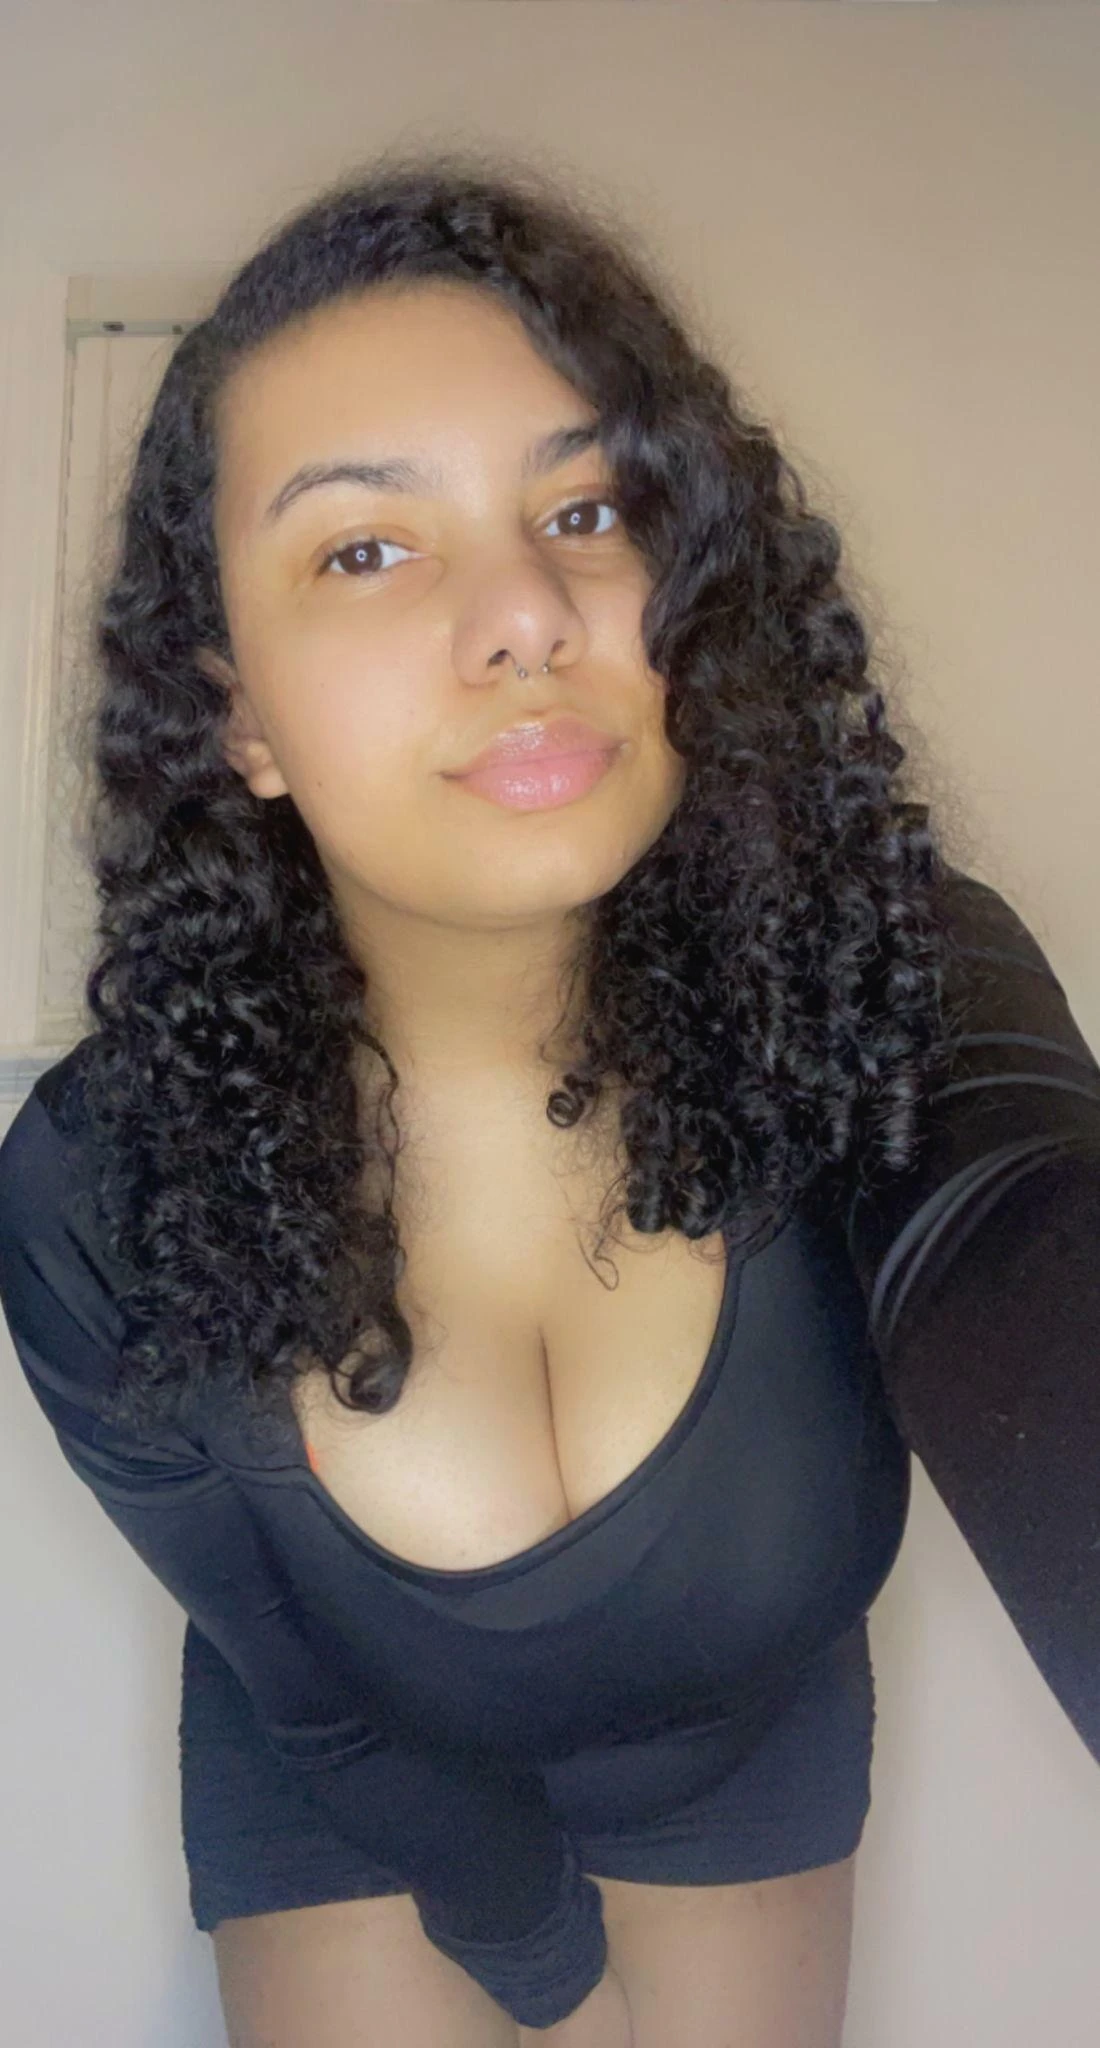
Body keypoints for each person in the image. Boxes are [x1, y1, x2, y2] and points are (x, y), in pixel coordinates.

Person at [1, 149, 1097, 2048]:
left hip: (739, 1735)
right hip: (348, 1763)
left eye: (588, 507)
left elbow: (1031, 1239)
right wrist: (554, 1984)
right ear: (239, 714)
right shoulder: (97, 1181)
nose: (525, 611)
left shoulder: (875, 979)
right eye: (365, 547)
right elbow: (314, 1698)